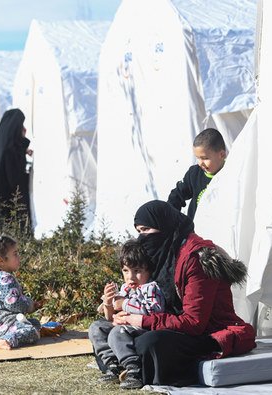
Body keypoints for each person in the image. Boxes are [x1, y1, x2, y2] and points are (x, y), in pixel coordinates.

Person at [111, 200, 256, 386]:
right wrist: (125, 315)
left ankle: (135, 368)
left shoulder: (195, 259)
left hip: (209, 332)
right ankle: (126, 368)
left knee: (150, 342)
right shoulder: (163, 253)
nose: (142, 238)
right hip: (175, 326)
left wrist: (142, 321)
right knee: (107, 330)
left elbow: (194, 322)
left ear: (163, 226)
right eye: (139, 231)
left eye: (146, 230)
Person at [89, 239, 165, 389]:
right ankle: (113, 365)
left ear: (148, 270)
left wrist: (124, 304)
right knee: (96, 327)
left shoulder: (150, 288)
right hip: (124, 326)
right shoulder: (126, 288)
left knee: (117, 332)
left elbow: (153, 311)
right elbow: (109, 317)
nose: (131, 277)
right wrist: (108, 302)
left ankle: (133, 370)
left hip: (141, 328)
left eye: (137, 271)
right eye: (126, 271)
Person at [0, 235, 41, 350]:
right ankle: (5, 340)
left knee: (35, 323)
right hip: (0, 324)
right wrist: (30, 305)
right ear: (0, 260)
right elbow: (15, 304)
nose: (19, 257)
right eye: (15, 254)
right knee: (31, 331)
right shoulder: (5, 278)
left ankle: (6, 337)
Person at [0, 109, 32, 226]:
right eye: (21, 125)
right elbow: (16, 180)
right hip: (8, 210)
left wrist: (22, 150)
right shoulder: (9, 152)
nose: (24, 129)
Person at [167, 128, 227, 219]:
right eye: (197, 158)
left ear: (222, 155)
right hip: (196, 230)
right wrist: (171, 218)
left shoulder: (230, 173)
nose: (200, 163)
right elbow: (177, 195)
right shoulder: (194, 173)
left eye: (205, 158)